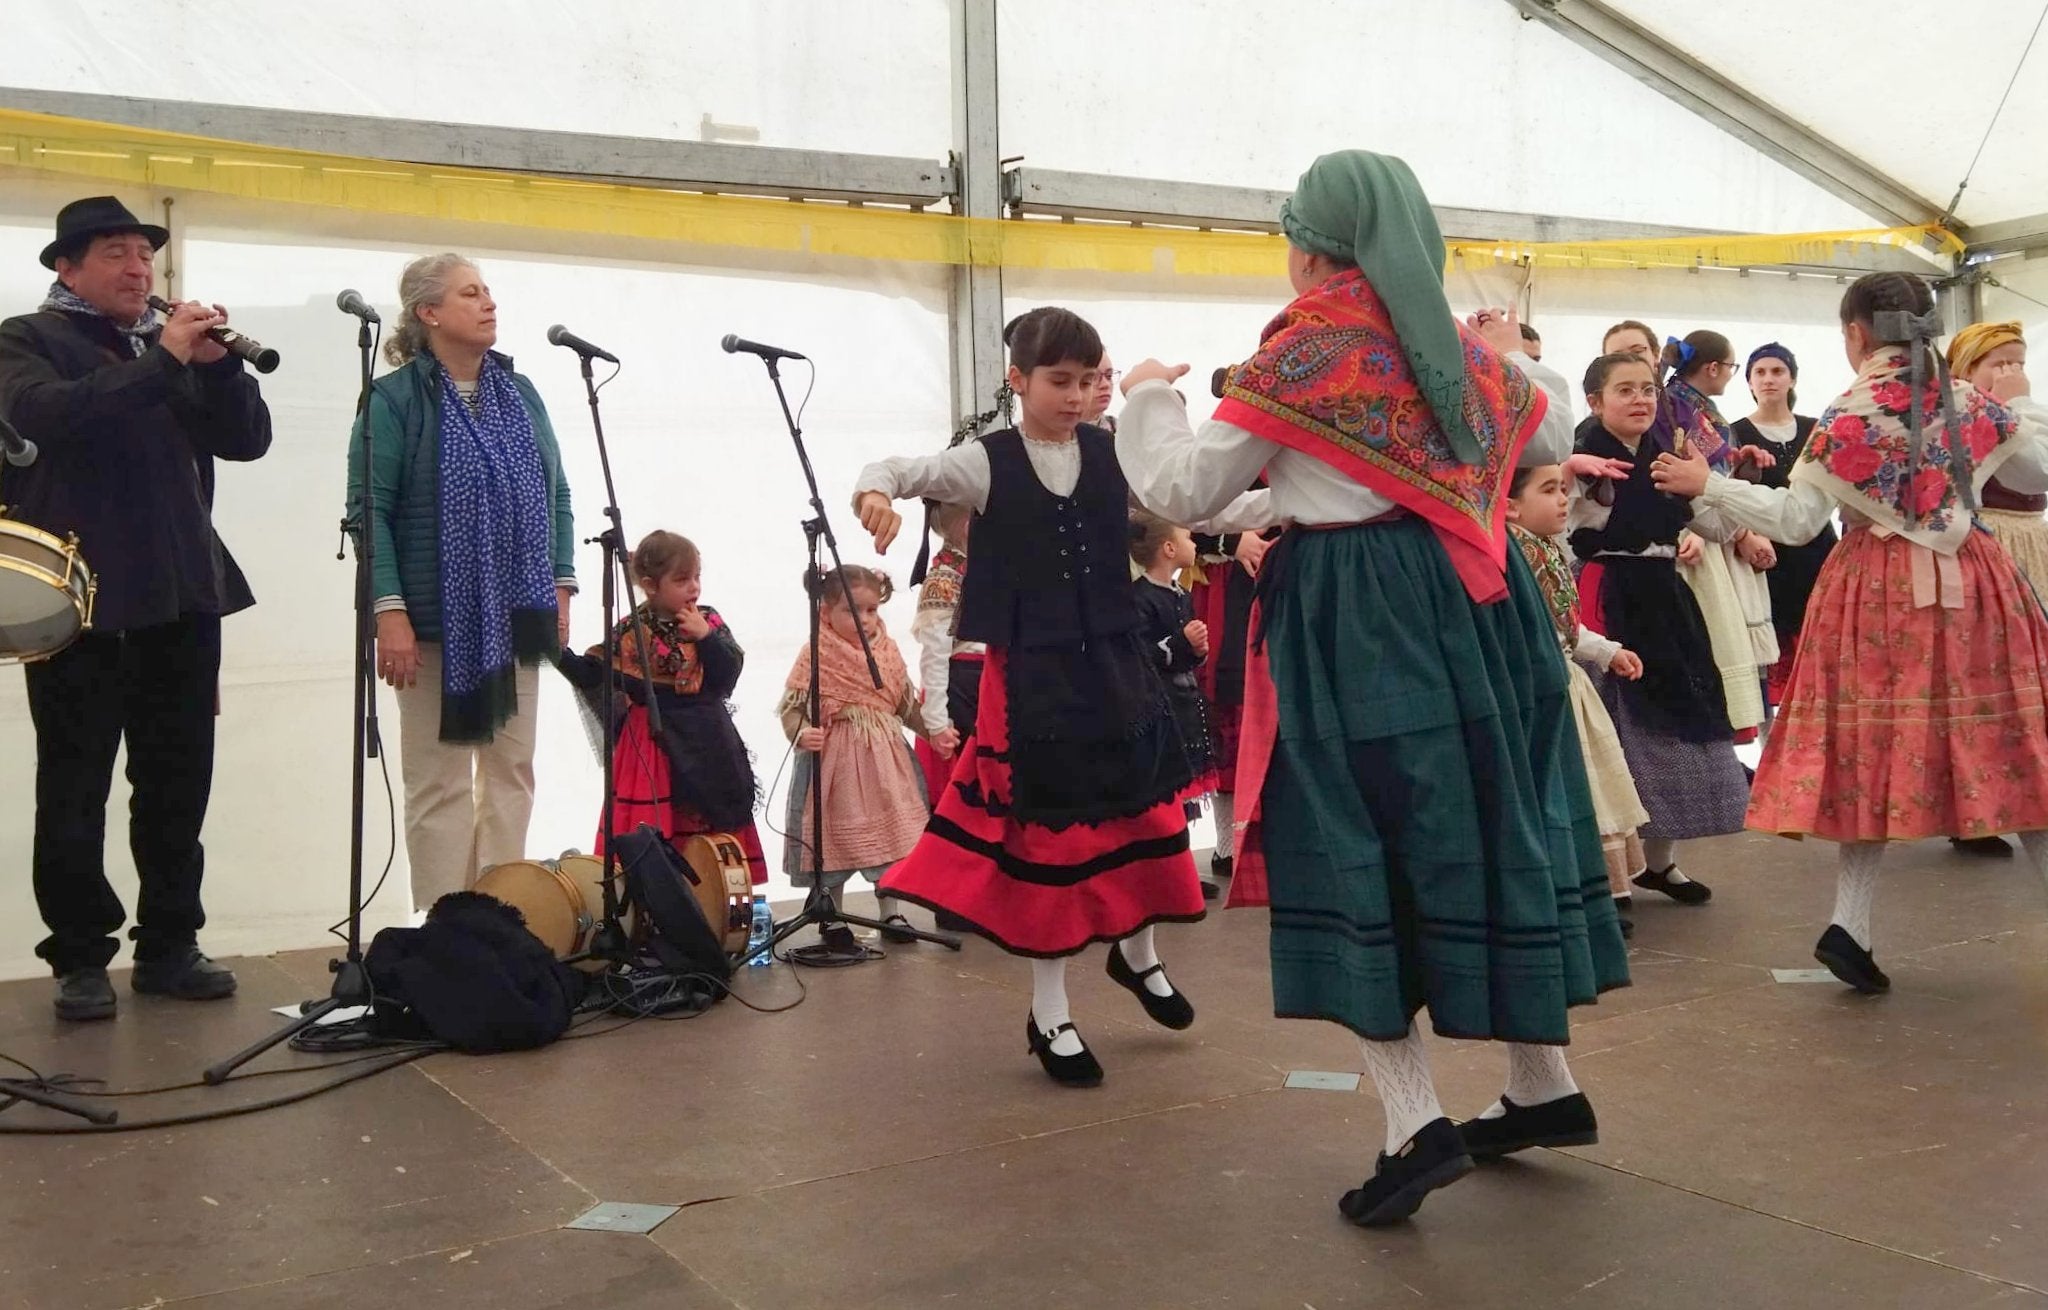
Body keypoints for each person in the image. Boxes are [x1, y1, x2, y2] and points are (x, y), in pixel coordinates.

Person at [1118, 150, 1628, 1226]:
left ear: (1313, 243)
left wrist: (1150, 393)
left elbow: (1179, 487)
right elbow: (1544, 428)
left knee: (1359, 846)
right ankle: (1540, 1086)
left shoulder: (1307, 356)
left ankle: (1412, 1121)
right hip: (1480, 620)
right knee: (1487, 829)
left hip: (1358, 622)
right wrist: (1493, 350)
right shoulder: (1464, 356)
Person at [1651, 272, 2048, 994]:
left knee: (1871, 749)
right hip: (1972, 582)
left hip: (1874, 592)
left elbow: (1799, 520)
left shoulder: (1850, 412)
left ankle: (1851, 924)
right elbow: (2038, 463)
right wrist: (2015, 401)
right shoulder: (1965, 402)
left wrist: (1708, 484)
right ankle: (1852, 927)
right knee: (2013, 739)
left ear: (1857, 333)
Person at [853, 307, 1207, 1090]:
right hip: (1035, 674)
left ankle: (1138, 955)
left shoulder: (1111, 450)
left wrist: (1249, 523)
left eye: (1090, 380)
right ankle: (1050, 1012)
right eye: (1060, 381)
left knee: (1148, 806)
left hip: (1114, 658)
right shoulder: (985, 462)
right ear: (1017, 380)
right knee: (1049, 837)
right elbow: (900, 468)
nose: (1079, 396)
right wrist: (874, 489)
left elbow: (1190, 496)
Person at [0, 195, 273, 1021]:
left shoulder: (170, 349)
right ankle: (81, 956)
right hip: (76, 604)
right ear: (66, 266)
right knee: (75, 785)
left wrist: (220, 365)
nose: (137, 268)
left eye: (145, 255)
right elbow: (48, 416)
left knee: (176, 783)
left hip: (180, 594)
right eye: (115, 252)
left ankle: (169, 944)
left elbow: (247, 440)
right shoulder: (25, 341)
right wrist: (163, 360)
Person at [346, 253, 577, 914]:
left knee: (512, 774)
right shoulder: (393, 399)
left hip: (516, 617)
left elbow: (556, 493)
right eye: (469, 294)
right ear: (429, 314)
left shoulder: (520, 392)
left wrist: (559, 586)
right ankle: (443, 929)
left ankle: (501, 918)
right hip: (430, 621)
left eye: (488, 292)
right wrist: (389, 612)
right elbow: (371, 511)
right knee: (440, 784)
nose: (488, 303)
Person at [1571, 351, 1748, 908]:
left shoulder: (1672, 456)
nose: (1641, 399)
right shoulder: (1576, 459)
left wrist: (1718, 480)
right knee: (1611, 735)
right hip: (1605, 595)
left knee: (1678, 723)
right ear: (1596, 402)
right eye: (1625, 390)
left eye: (1648, 389)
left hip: (1666, 598)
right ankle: (1609, 870)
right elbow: (1557, 527)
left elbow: (1719, 526)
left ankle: (1660, 863)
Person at [555, 531, 768, 885]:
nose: (694, 587)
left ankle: (714, 901)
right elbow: (594, 675)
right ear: (651, 585)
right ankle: (656, 901)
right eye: (682, 580)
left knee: (711, 819)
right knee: (658, 823)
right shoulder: (629, 632)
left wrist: (706, 638)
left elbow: (726, 677)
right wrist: (555, 651)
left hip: (709, 738)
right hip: (651, 744)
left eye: (697, 577)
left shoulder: (708, 620)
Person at [1508, 464, 1651, 937]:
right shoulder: (1513, 556)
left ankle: (1596, 894)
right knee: (1563, 792)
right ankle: (1571, 895)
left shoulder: (1546, 549)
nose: (1563, 500)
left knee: (1592, 790)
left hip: (1568, 681)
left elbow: (1567, 626)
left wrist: (1607, 651)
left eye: (1564, 490)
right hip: (1538, 688)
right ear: (1509, 506)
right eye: (1549, 491)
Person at [779, 564, 928, 943]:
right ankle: (834, 915)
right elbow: (792, 706)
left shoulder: (888, 651)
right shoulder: (816, 652)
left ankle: (891, 913)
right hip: (835, 763)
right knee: (834, 842)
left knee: (891, 838)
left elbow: (903, 703)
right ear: (825, 612)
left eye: (871, 610)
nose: (864, 619)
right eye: (852, 611)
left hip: (885, 762)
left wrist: (935, 730)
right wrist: (801, 734)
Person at [1660, 331, 1778, 742]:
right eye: (1733, 368)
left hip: (1715, 529)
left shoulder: (1690, 407)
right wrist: (1743, 528)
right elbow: (1701, 488)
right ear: (1712, 368)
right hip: (1698, 539)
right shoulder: (1682, 410)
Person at [1729, 343, 1836, 719]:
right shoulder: (1735, 433)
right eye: (1760, 372)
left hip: (1819, 551)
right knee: (1769, 658)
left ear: (1792, 378)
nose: (1769, 379)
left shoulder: (1817, 428)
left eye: (1777, 371)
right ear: (1749, 382)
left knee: (1822, 650)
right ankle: (1770, 746)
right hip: (1766, 556)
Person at [1130, 511, 1223, 897]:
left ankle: (1179, 871)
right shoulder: (1139, 599)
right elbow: (1139, 655)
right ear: (1169, 549)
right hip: (1161, 704)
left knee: (1182, 794)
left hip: (1185, 702)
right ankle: (1163, 874)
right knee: (1165, 792)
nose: (1193, 543)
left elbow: (1185, 652)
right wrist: (1181, 644)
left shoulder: (1181, 594)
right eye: (1187, 536)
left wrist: (1196, 650)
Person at [909, 501, 980, 809]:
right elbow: (935, 654)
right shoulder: (944, 577)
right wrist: (936, 722)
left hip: (984, 685)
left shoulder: (979, 569)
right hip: (961, 692)